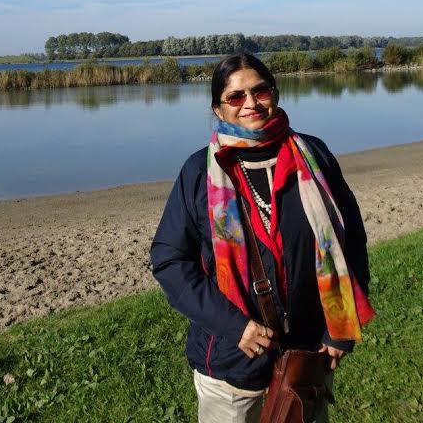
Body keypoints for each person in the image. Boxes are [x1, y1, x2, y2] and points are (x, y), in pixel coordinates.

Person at [151, 53, 375, 422]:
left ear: (275, 93)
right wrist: (234, 326)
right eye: (235, 96)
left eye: (260, 91)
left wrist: (340, 327)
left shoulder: (313, 155)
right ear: (218, 109)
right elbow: (170, 261)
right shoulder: (199, 172)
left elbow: (351, 241)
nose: (251, 103)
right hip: (233, 361)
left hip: (306, 355)